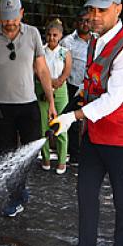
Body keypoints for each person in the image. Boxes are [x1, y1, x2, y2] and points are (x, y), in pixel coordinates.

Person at [48, 0, 123, 246]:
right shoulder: (95, 40)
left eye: (102, 10)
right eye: (91, 9)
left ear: (118, 9)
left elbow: (113, 99)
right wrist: (72, 106)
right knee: (86, 193)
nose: (95, 15)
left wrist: (73, 117)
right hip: (96, 133)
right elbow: (92, 83)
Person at [0, 0, 57, 217]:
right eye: (5, 18)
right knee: (7, 153)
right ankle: (16, 195)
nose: (9, 23)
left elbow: (42, 70)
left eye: (13, 18)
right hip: (0, 107)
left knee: (29, 153)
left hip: (27, 105)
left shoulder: (32, 34)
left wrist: (51, 102)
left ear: (21, 13)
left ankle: (19, 189)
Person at [38, 18, 72, 174]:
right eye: (49, 35)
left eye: (55, 35)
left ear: (60, 36)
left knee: (61, 125)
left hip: (60, 91)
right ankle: (45, 158)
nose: (52, 38)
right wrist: (47, 85)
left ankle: (61, 160)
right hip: (43, 91)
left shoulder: (65, 53)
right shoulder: (41, 51)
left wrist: (57, 82)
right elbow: (38, 71)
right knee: (43, 127)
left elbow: (67, 72)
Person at [60, 9, 92, 160]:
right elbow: (60, 64)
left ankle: (91, 154)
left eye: (87, 21)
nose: (85, 24)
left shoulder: (97, 40)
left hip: (92, 86)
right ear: (76, 22)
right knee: (73, 120)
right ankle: (74, 154)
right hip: (73, 86)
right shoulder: (67, 42)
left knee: (92, 119)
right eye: (81, 21)